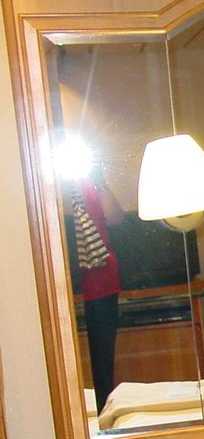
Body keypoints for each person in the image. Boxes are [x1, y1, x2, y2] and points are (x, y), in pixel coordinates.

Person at [69, 170, 124, 413]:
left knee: (103, 353)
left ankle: (104, 409)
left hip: (100, 274)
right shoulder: (56, 182)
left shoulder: (90, 181)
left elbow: (115, 218)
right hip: (67, 275)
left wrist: (101, 182)